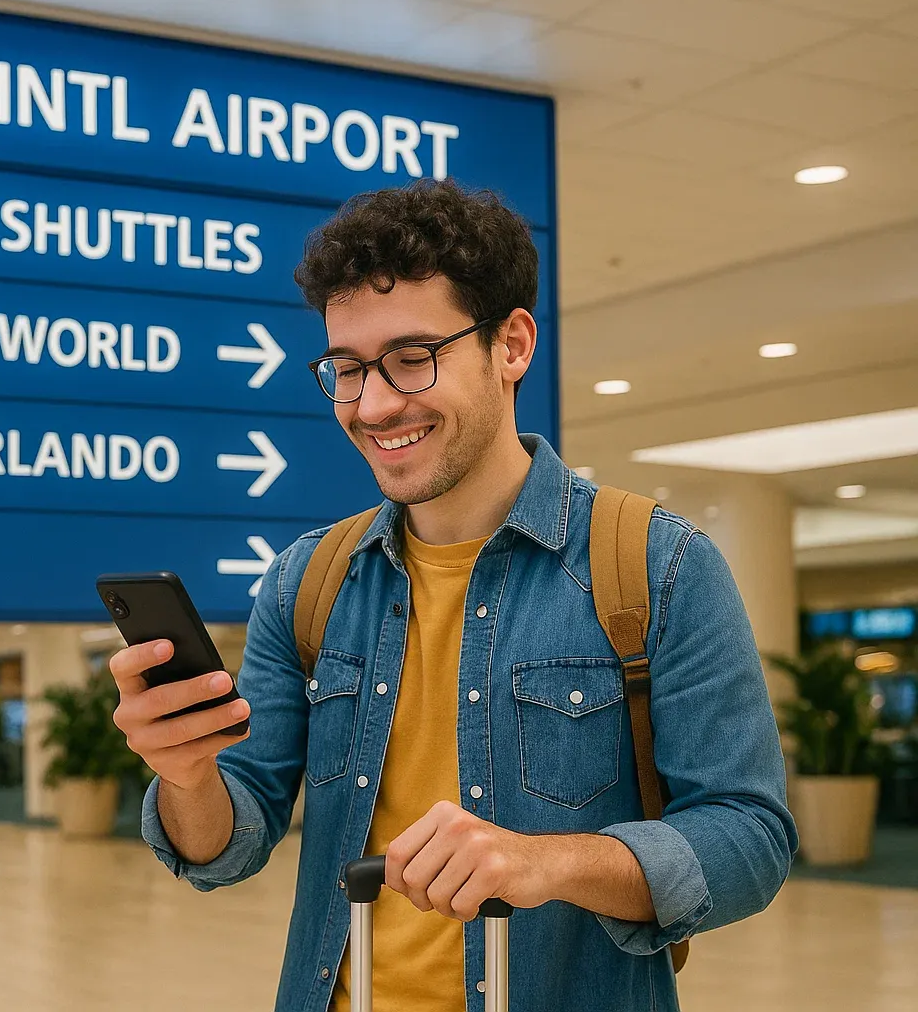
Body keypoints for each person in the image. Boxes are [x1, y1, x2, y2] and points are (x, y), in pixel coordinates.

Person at [111, 180, 796, 1012]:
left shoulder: (657, 565)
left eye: (412, 358)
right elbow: (228, 843)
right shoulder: (308, 581)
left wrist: (549, 862)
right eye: (348, 368)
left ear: (511, 345)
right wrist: (186, 775)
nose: (374, 404)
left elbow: (751, 838)